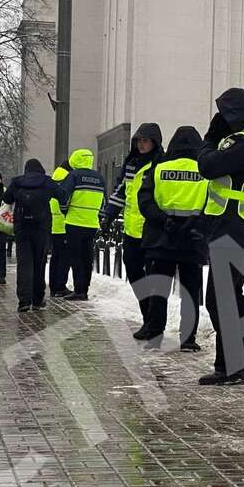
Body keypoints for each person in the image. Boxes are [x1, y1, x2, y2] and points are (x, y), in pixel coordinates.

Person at [198, 88, 244, 385]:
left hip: (235, 230)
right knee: (230, 298)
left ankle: (232, 367)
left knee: (220, 300)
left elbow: (207, 166)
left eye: (224, 114)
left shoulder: (243, 146)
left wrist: (208, 139)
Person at [138, 126, 208, 350]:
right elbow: (212, 204)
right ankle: (188, 339)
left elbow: (145, 201)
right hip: (193, 240)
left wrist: (163, 220)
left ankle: (155, 334)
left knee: (159, 291)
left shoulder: (159, 169)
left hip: (162, 239)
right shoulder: (205, 171)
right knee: (190, 294)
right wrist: (194, 224)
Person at [102, 123, 164, 331]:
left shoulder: (160, 164)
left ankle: (152, 322)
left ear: (155, 142)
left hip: (151, 229)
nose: (141, 144)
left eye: (145, 140)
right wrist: (108, 215)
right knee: (135, 273)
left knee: (153, 278)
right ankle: (147, 314)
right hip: (131, 230)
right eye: (138, 140)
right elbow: (121, 191)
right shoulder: (131, 164)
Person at [3, 159, 67, 312]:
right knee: (39, 264)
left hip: (22, 229)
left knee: (24, 264)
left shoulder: (17, 182)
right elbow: (63, 196)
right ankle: (37, 300)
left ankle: (24, 301)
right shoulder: (46, 182)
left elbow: (6, 198)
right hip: (42, 228)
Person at [61, 149, 106, 301]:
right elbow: (104, 202)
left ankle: (79, 290)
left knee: (76, 257)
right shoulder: (99, 178)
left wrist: (65, 212)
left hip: (74, 222)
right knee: (87, 257)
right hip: (92, 223)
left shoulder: (73, 175)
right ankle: (85, 288)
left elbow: (63, 197)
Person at [48, 161, 72, 297]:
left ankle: (53, 287)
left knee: (55, 257)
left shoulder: (54, 177)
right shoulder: (68, 178)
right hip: (64, 221)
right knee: (65, 257)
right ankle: (60, 286)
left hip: (53, 223)